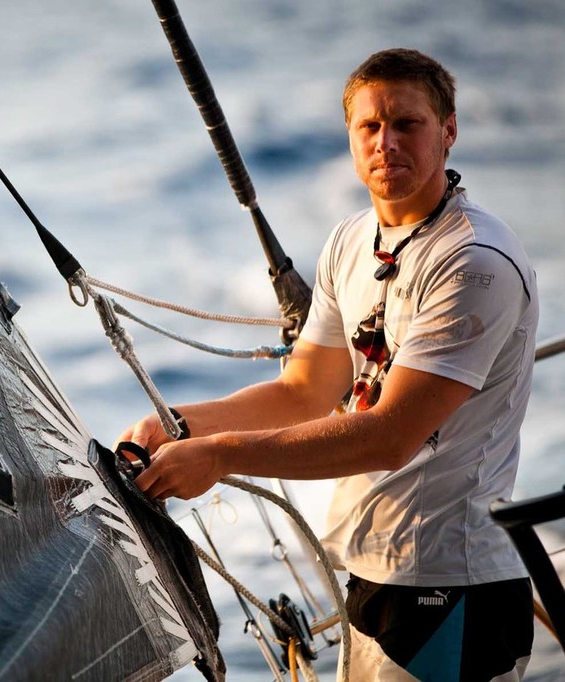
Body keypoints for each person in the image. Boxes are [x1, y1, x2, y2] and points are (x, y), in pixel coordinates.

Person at [117, 48, 538, 681]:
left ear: (449, 131)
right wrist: (180, 425)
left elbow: (392, 436)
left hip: (454, 587)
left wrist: (223, 456)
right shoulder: (350, 240)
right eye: (370, 126)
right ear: (349, 136)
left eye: (407, 124)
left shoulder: (473, 262)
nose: (386, 142)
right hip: (371, 577)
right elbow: (306, 391)